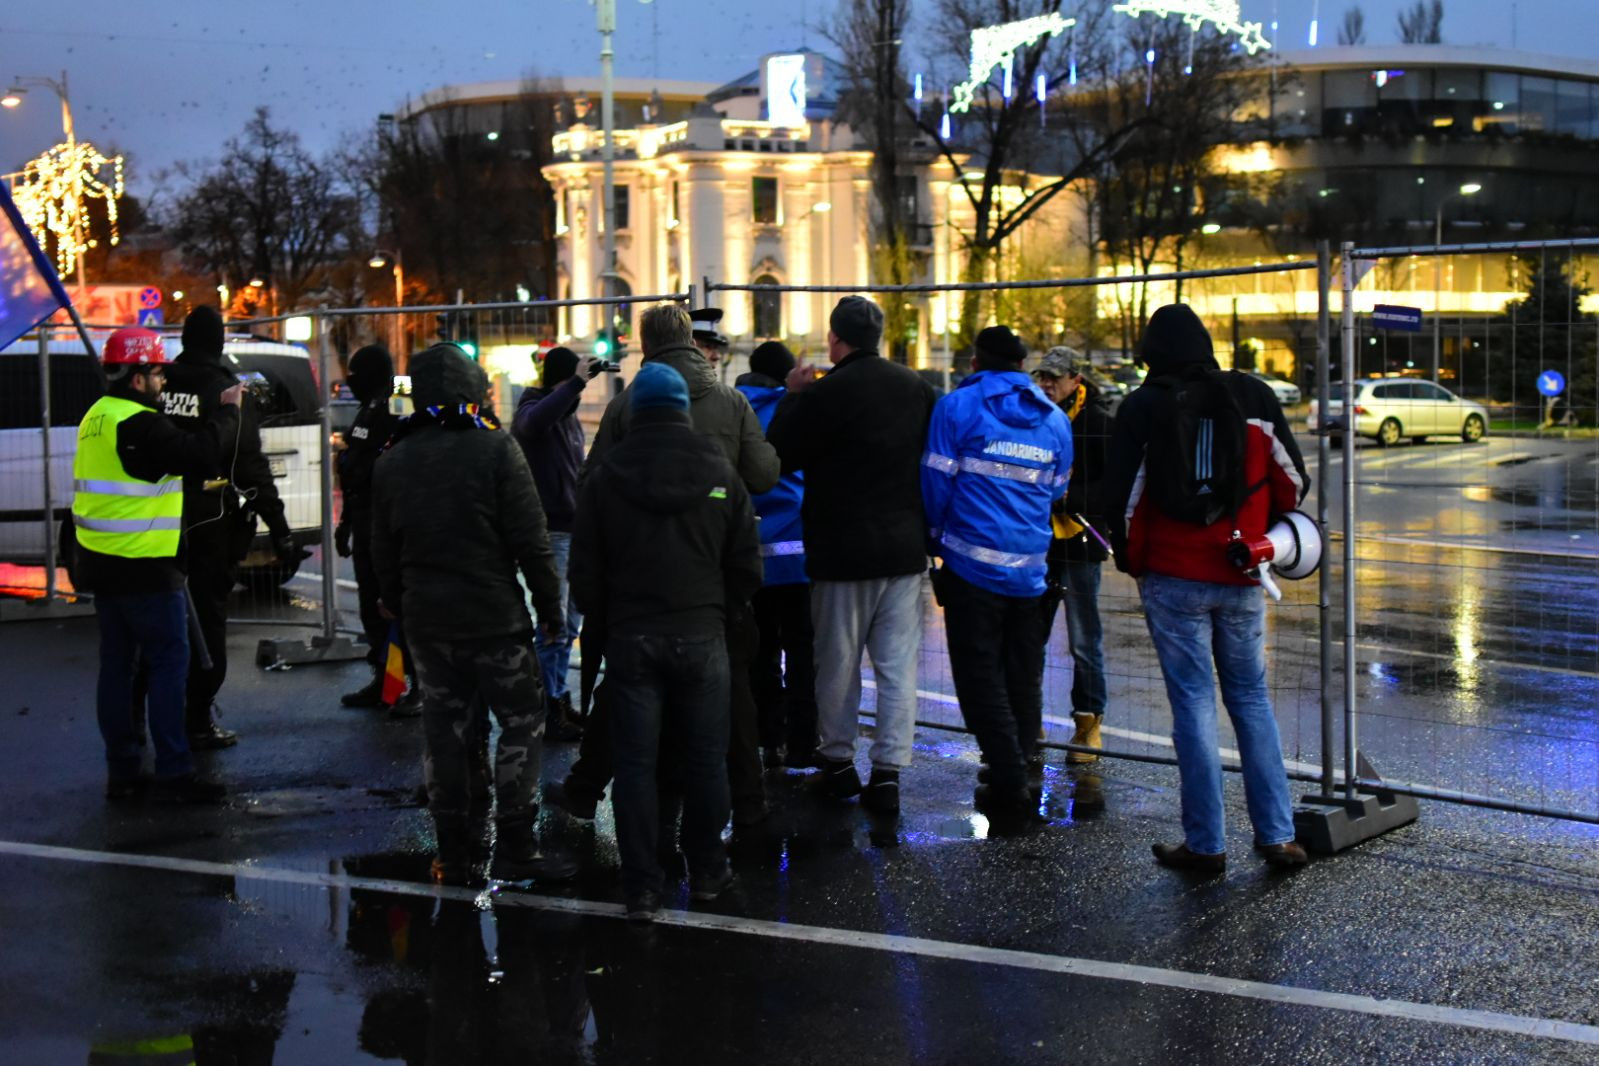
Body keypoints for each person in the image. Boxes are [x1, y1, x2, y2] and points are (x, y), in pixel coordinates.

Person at [1102, 304, 1310, 872]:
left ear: (1151, 353)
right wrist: (1270, 532)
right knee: (1250, 699)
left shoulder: (1142, 405)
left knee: (1192, 704)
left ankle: (1206, 844)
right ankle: (1277, 835)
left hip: (1171, 575)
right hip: (1242, 568)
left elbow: (1117, 497)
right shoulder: (1255, 397)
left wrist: (1130, 557)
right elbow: (1294, 479)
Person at [558, 304, 778, 827]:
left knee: (626, 691)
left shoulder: (628, 404)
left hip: (640, 581)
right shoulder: (731, 401)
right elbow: (765, 475)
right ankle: (747, 804)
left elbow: (589, 486)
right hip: (710, 579)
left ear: (646, 345)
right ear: (693, 342)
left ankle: (588, 791)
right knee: (733, 694)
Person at [370, 342, 572, 886]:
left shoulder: (393, 458)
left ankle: (453, 851)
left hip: (429, 624)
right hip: (495, 618)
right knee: (520, 724)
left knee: (445, 732)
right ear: (471, 391)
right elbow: (531, 541)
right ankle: (516, 843)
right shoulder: (495, 450)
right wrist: (551, 608)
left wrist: (394, 597)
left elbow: (381, 548)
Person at [569, 362, 763, 921]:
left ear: (634, 411)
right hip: (703, 634)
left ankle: (642, 888)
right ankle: (705, 869)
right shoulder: (719, 467)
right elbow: (746, 563)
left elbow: (585, 570)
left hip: (632, 637)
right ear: (681, 409)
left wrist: (609, 617)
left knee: (633, 765)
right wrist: (723, 609)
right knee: (706, 759)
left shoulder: (607, 475)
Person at [765, 296, 937, 815]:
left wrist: (793, 395)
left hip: (841, 551)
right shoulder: (917, 389)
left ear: (836, 341)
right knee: (896, 667)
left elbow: (779, 455)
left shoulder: (825, 393)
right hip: (904, 549)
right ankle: (889, 773)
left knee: (837, 664)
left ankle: (838, 764)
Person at [72, 327, 241, 804]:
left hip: (104, 568)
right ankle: (175, 772)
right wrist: (229, 410)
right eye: (157, 372)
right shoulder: (140, 425)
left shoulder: (97, 418)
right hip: (146, 568)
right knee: (170, 666)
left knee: (118, 669)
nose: (163, 381)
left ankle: (122, 772)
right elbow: (202, 454)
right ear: (137, 376)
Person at [922, 326, 1072, 828]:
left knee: (978, 675)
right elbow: (1054, 492)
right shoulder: (1054, 419)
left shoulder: (957, 408)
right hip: (1030, 568)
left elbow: (936, 483)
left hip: (970, 566)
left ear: (974, 362)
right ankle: (1022, 771)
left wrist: (938, 539)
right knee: (1022, 675)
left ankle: (1007, 777)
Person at [160, 305, 296, 749]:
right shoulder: (225, 391)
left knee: (158, 622)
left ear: (183, 340)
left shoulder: (159, 384)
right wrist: (280, 528)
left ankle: (156, 719)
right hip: (210, 519)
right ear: (218, 342)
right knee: (207, 620)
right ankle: (197, 718)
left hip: (154, 521)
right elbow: (250, 465)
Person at [510, 345, 608, 742]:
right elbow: (533, 424)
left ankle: (556, 699)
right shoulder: (534, 408)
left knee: (568, 623)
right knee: (554, 623)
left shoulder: (565, 415)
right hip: (551, 531)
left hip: (574, 529)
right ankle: (549, 705)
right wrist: (574, 384)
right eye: (573, 384)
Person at [734, 340, 817, 768]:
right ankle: (802, 744)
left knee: (759, 653)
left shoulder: (733, 408)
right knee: (804, 654)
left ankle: (767, 736)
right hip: (799, 558)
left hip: (751, 556)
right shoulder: (798, 407)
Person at [1032, 347, 1116, 764]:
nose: (1047, 384)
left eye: (1055, 377)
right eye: (1042, 376)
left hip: (1081, 542)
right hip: (1039, 542)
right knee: (1033, 634)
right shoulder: (1035, 416)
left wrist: (1072, 499)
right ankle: (1030, 722)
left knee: (1084, 640)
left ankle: (1088, 725)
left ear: (1076, 380)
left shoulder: (1098, 422)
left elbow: (1114, 484)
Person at [335, 344, 413, 713]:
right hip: (364, 519)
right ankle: (385, 680)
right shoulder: (366, 407)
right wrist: (345, 523)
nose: (350, 382)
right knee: (371, 605)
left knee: (392, 606)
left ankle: (408, 682)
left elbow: (404, 452)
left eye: (355, 375)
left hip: (387, 522)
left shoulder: (399, 398)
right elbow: (351, 463)